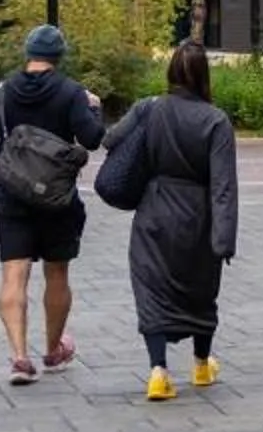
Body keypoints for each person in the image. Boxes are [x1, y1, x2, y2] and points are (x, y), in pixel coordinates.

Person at [96, 40, 237, 401]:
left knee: (152, 288)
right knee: (201, 290)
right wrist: (224, 238)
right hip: (198, 214)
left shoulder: (149, 108)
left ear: (171, 71)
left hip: (155, 209)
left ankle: (158, 371)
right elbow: (223, 185)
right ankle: (201, 364)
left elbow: (110, 140)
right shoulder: (216, 121)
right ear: (204, 76)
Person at [0, 23, 104, 386]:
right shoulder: (71, 93)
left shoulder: (1, 93)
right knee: (57, 273)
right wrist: (95, 109)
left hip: (12, 197)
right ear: (59, 56)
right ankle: (52, 349)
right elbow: (93, 139)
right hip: (57, 199)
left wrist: (15, 154)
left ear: (27, 53)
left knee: (14, 274)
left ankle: (19, 357)